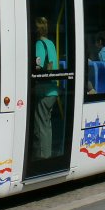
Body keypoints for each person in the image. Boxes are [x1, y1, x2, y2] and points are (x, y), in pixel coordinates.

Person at [33, 16, 58, 159]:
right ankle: (46, 154)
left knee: (40, 127)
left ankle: (43, 158)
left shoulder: (38, 44)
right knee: (47, 126)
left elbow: (37, 66)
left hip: (43, 91)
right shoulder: (51, 43)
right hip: (53, 91)